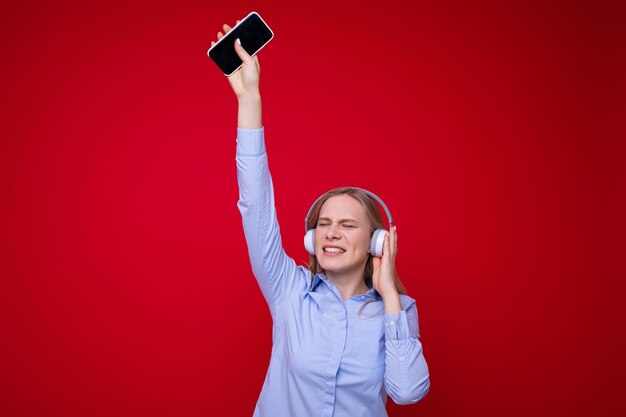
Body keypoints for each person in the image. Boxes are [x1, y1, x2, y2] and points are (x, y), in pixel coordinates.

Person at [212, 20, 430, 417]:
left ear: (377, 241)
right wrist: (250, 100)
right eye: (324, 224)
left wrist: (391, 296)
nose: (331, 233)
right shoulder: (288, 291)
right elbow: (255, 205)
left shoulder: (399, 311)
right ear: (311, 238)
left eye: (348, 225)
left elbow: (408, 392)